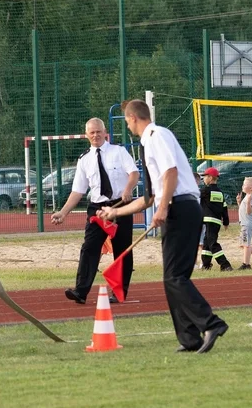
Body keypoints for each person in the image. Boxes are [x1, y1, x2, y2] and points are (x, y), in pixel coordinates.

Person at [98, 99, 228, 354]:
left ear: (134, 118)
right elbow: (149, 198)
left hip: (181, 208)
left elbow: (171, 173)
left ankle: (212, 323)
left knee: (175, 276)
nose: (127, 125)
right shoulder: (148, 142)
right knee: (172, 278)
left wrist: (164, 207)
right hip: (177, 208)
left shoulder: (157, 136)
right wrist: (115, 211)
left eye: (126, 121)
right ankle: (189, 339)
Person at [52, 118, 140, 305]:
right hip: (97, 209)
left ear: (105, 132)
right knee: (89, 248)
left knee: (122, 250)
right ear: (86, 135)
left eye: (98, 131)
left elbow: (134, 173)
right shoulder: (84, 159)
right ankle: (81, 291)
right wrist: (63, 212)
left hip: (120, 206)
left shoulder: (119, 152)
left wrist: (127, 189)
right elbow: (78, 191)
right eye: (91, 132)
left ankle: (119, 292)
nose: (95, 135)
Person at [199, 166, 233, 271]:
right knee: (207, 243)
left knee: (212, 243)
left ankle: (225, 265)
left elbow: (196, 199)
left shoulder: (205, 191)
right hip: (216, 221)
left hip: (209, 220)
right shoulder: (220, 192)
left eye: (204, 177)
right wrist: (226, 221)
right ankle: (206, 264)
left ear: (210, 177)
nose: (203, 179)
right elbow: (224, 208)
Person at [193, 171, 205, 269]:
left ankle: (202, 262)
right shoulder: (189, 191)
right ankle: (194, 263)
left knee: (201, 243)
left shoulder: (200, 192)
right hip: (191, 220)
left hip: (200, 220)